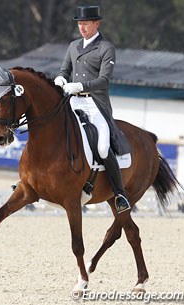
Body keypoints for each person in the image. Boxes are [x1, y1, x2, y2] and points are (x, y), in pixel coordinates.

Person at [54, 5, 131, 214]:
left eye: (86, 23)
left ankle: (120, 193)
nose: (82, 27)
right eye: (79, 24)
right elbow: (64, 70)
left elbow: (104, 80)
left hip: (95, 104)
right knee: (51, 130)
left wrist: (80, 86)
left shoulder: (106, 48)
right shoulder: (73, 46)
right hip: (73, 101)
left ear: (96, 23)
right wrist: (61, 78)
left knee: (103, 148)